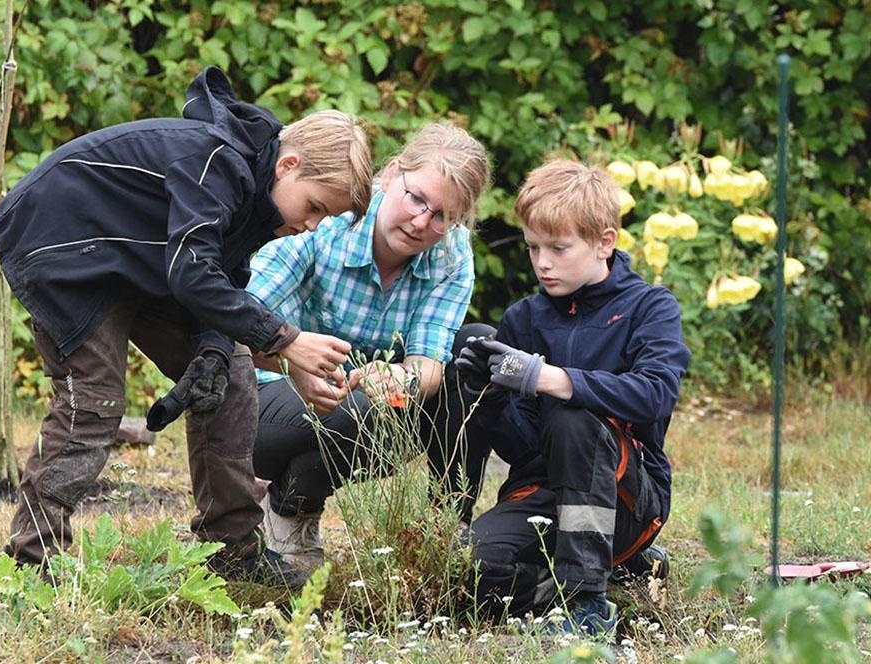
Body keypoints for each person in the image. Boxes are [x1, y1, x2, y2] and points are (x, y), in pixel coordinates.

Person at [0, 66, 373, 589]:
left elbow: (220, 277)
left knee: (229, 372)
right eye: (316, 207)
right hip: (67, 247)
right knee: (94, 400)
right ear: (289, 165)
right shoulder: (219, 162)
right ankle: (31, 563)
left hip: (139, 261)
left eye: (325, 218)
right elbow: (192, 273)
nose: (311, 225)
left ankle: (232, 549)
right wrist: (287, 341)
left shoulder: (260, 197)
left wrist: (214, 350)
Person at [455, 158, 691, 637]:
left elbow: (656, 394)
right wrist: (488, 397)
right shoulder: (523, 319)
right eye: (533, 247)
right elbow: (524, 450)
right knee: (474, 575)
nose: (543, 262)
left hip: (627, 500)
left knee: (574, 417)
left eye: (559, 248)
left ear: (605, 242)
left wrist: (554, 379)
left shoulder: (650, 307)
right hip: (542, 494)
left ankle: (587, 605)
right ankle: (621, 569)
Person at [245, 122, 492, 568]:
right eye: (416, 198)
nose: (421, 222)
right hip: (264, 400)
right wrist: (294, 357)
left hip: (369, 408)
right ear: (392, 174)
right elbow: (241, 320)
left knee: (477, 347)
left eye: (442, 216)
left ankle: (444, 527)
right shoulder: (328, 218)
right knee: (360, 409)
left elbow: (430, 362)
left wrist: (403, 378)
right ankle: (291, 512)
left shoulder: (451, 255)